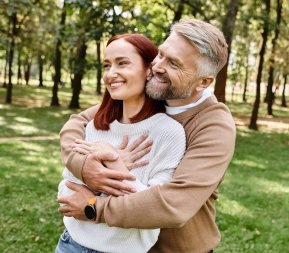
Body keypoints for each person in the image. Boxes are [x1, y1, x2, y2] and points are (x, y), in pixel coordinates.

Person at [58, 18, 236, 252]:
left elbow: (173, 205)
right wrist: (87, 167)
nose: (158, 67)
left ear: (203, 82)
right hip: (123, 243)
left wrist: (93, 207)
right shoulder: (156, 92)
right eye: (161, 54)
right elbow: (78, 123)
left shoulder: (214, 125)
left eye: (174, 63)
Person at [55, 33, 186, 253]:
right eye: (107, 65)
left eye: (122, 63)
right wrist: (97, 170)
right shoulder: (95, 125)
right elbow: (66, 191)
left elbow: (153, 209)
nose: (111, 74)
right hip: (70, 245)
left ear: (148, 69)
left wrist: (113, 161)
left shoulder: (168, 133)